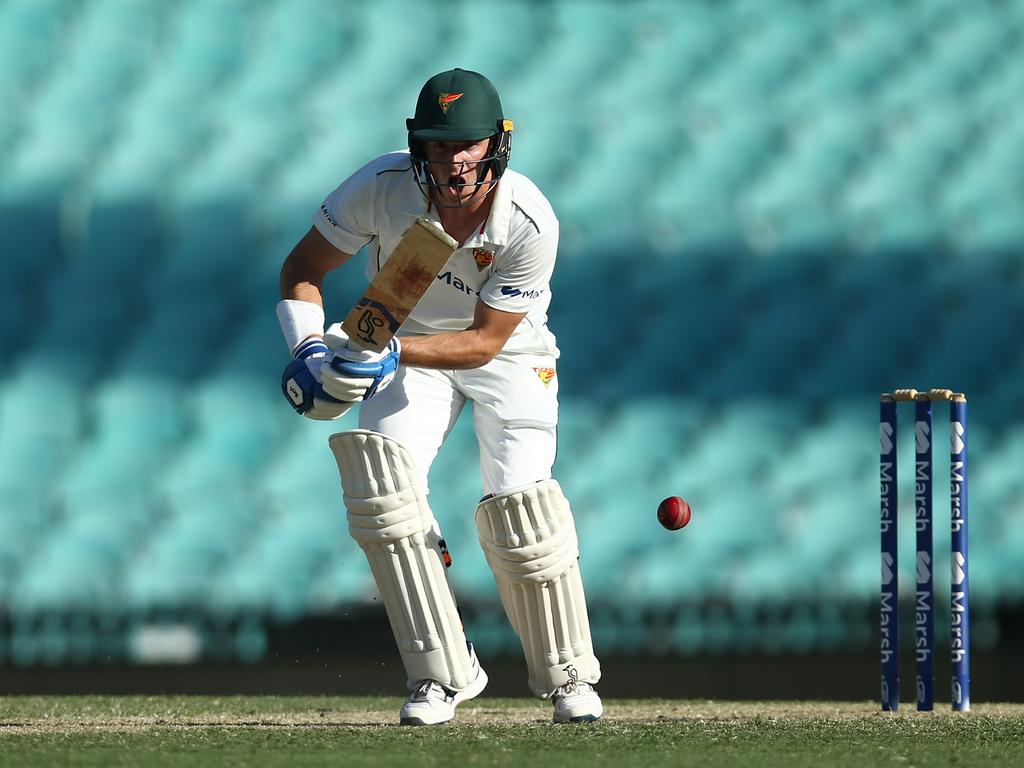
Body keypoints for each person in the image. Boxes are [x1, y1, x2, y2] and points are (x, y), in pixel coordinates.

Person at [276, 68, 602, 725]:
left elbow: (484, 342)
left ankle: (569, 678)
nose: (453, 161)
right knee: (381, 490)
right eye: (438, 145)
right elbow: (302, 270)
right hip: (407, 343)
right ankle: (441, 676)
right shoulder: (382, 185)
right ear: (417, 146)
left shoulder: (528, 220)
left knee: (521, 507)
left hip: (510, 355)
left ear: (496, 145)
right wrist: (309, 349)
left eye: (468, 146)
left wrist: (383, 351)